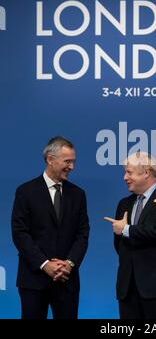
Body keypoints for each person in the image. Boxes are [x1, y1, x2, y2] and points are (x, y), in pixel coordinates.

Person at [11, 136, 89, 319]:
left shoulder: (78, 195)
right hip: (33, 279)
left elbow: (82, 234)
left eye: (73, 162)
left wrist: (69, 264)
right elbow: (20, 233)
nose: (72, 167)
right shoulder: (25, 192)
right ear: (50, 159)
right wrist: (45, 264)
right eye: (67, 161)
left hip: (66, 279)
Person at [104, 151, 156, 319]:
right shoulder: (124, 203)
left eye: (129, 172)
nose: (124, 177)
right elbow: (119, 245)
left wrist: (126, 229)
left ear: (147, 172)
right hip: (128, 289)